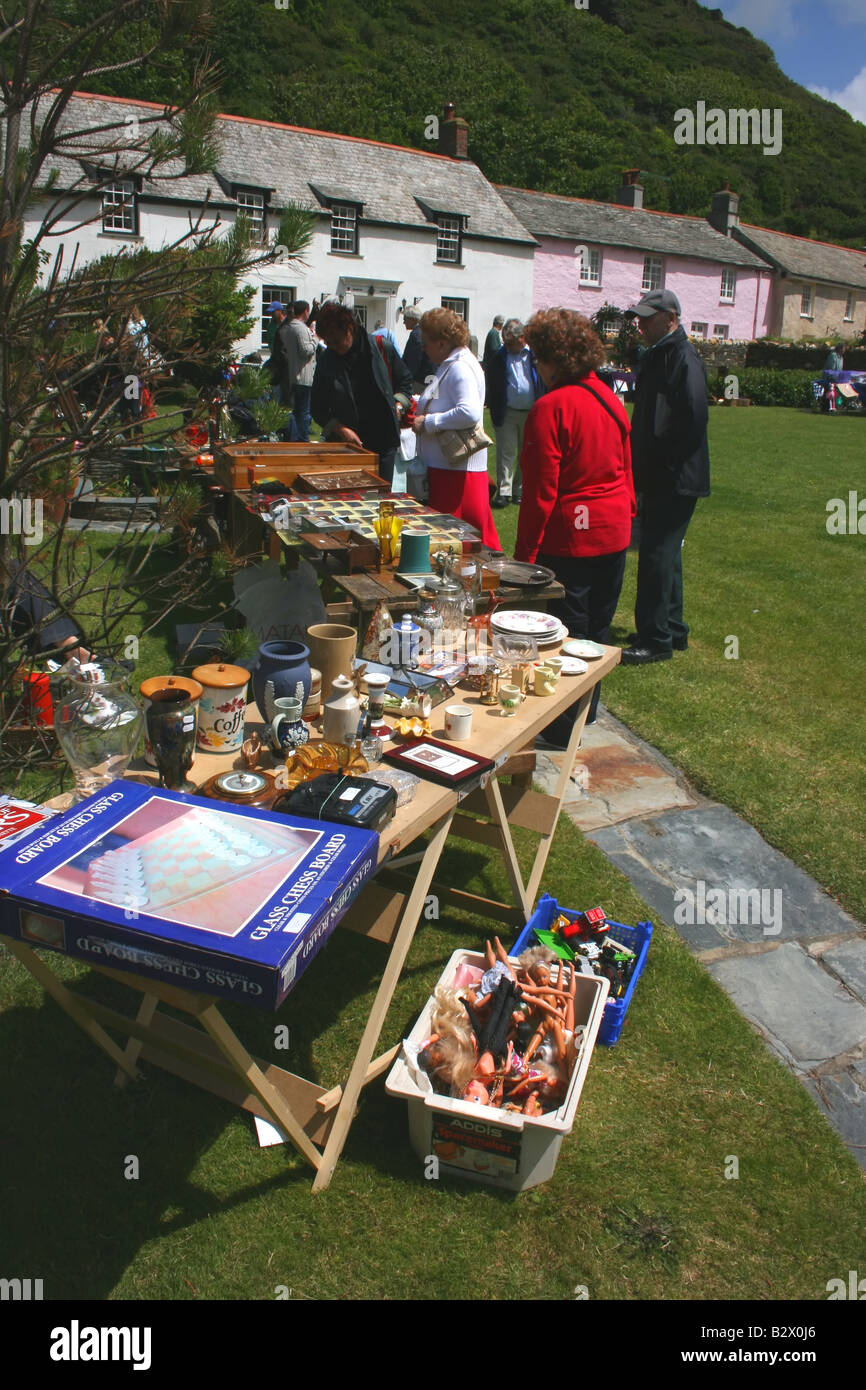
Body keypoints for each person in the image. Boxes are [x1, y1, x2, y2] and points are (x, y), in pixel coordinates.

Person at [515, 308, 635, 740]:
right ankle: (587, 712)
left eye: (537, 359)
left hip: (574, 537)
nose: (537, 368)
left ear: (551, 360)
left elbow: (539, 493)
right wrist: (629, 510)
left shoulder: (551, 407)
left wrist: (525, 557)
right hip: (614, 527)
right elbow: (627, 466)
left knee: (566, 633)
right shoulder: (610, 397)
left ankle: (563, 727)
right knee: (597, 630)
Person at [621, 288, 710, 666]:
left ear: (670, 318)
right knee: (666, 555)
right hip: (668, 473)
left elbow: (692, 417)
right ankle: (671, 628)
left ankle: (655, 639)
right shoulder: (666, 354)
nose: (641, 325)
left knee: (657, 555)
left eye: (648, 318)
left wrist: (664, 466)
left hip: (671, 476)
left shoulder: (680, 357)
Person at [411, 307, 501, 549]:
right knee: (453, 548)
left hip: (456, 474)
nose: (424, 348)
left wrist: (429, 422)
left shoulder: (460, 367)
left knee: (458, 547)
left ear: (441, 343)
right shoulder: (454, 363)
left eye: (427, 342)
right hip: (449, 471)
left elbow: (469, 412)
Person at [311, 300, 412, 485]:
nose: (333, 346)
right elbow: (317, 408)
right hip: (347, 447)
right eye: (328, 342)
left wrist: (397, 407)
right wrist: (340, 429)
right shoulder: (327, 360)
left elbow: (405, 382)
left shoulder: (382, 348)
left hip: (383, 441)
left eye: (336, 340)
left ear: (349, 328)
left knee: (380, 501)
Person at [486, 318, 546, 507]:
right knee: (507, 451)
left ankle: (519, 490)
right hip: (508, 411)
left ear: (523, 338)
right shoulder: (500, 357)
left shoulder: (534, 355)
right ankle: (504, 492)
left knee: (526, 452)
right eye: (506, 343)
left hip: (531, 411)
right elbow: (494, 386)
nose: (508, 346)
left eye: (511, 343)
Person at [278, 300, 317, 441]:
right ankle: (301, 439)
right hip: (303, 376)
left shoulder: (288, 327)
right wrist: (316, 339)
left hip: (294, 374)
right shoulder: (299, 328)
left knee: (296, 411)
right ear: (306, 311)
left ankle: (294, 437)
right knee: (303, 412)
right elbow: (306, 350)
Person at [400, 307, 436, 392]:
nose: (403, 322)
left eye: (405, 319)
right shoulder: (425, 331)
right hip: (430, 378)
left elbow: (413, 361)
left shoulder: (416, 335)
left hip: (421, 381)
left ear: (413, 319)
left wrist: (407, 379)